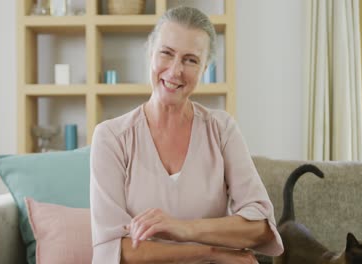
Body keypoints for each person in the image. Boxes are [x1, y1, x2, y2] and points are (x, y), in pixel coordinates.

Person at [90, 6, 284, 264]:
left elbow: (260, 226)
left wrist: (184, 229)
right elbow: (115, 250)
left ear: (205, 69)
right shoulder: (111, 137)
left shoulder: (221, 129)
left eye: (190, 60)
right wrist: (209, 251)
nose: (175, 70)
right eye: (166, 54)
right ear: (150, 53)